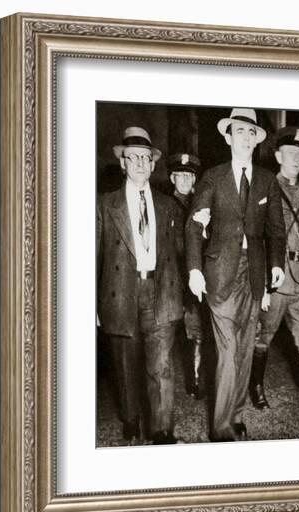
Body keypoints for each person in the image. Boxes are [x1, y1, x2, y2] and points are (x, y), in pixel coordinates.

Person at [185, 108, 286, 442]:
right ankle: (222, 429)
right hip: (219, 273)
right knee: (227, 350)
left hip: (254, 275)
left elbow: (276, 230)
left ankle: (237, 414)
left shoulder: (267, 180)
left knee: (243, 349)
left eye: (250, 134)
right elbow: (194, 225)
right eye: (238, 132)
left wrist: (275, 265)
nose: (244, 139)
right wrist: (195, 269)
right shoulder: (212, 178)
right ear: (228, 138)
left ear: (256, 142)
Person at [97, 126, 183, 445]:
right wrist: (93, 304)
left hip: (161, 292)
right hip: (121, 292)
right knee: (125, 365)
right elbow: (93, 256)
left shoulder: (167, 204)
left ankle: (162, 431)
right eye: (133, 157)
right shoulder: (106, 204)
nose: (140, 164)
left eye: (145, 158)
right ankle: (131, 420)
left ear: (153, 164)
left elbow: (180, 251)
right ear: (122, 163)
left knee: (161, 366)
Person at [251, 126, 299, 423]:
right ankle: (255, 386)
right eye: (290, 153)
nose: (296, 158)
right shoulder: (265, 188)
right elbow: (258, 238)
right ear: (278, 155)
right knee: (263, 336)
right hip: (276, 281)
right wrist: (262, 284)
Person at [168, 153, 209, 399]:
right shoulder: (164, 204)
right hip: (173, 276)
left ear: (194, 179)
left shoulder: (202, 204)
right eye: (180, 175)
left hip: (198, 275)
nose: (184, 179)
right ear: (172, 178)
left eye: (189, 175)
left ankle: (196, 378)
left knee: (197, 328)